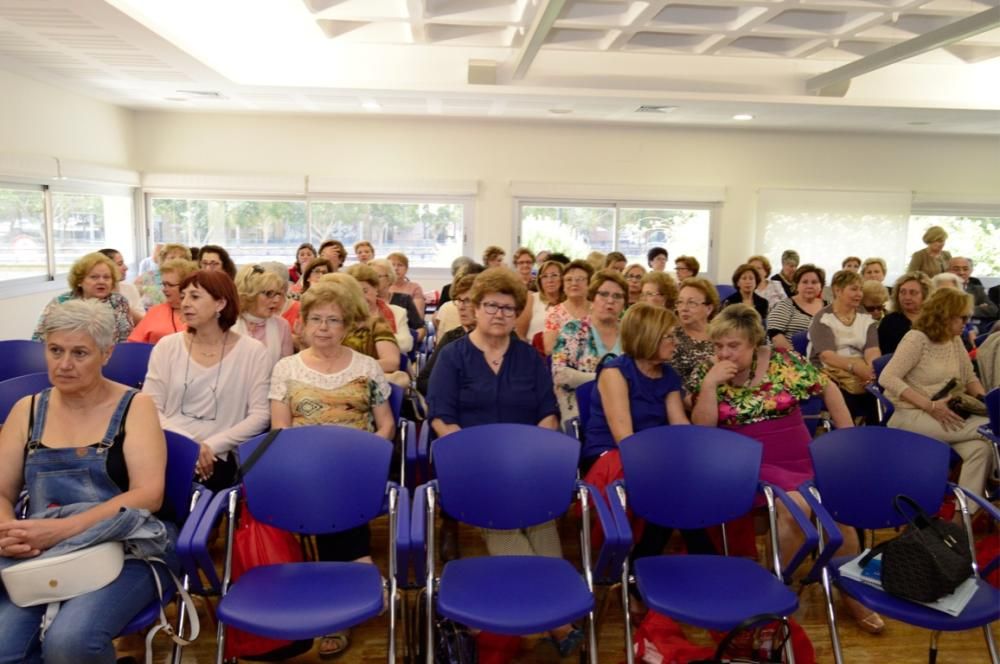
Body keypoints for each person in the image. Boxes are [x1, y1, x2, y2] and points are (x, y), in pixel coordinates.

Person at [0, 300, 177, 663]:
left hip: (127, 547)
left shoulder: (135, 407)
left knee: (71, 642)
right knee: (5, 647)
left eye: (79, 353)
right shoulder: (27, 410)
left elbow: (148, 495)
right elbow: (0, 491)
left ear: (106, 353)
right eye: (55, 351)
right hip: (41, 552)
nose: (64, 364)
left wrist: (62, 530)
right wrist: (9, 532)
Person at [689, 305, 880, 633]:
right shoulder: (707, 371)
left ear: (753, 342)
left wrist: (847, 438)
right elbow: (702, 431)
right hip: (746, 462)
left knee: (839, 513)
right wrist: (709, 386)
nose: (724, 352)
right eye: (718, 345)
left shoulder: (783, 361)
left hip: (799, 456)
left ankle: (849, 589)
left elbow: (828, 387)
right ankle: (772, 586)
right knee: (797, 507)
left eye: (733, 345)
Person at [427, 269, 579, 653]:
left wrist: (534, 458)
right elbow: (442, 417)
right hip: (474, 467)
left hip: (526, 464)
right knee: (504, 517)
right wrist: (478, 460)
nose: (499, 314)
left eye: (508, 308)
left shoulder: (529, 358)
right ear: (475, 308)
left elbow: (547, 412)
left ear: (517, 314)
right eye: (491, 305)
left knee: (541, 519)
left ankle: (547, 613)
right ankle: (558, 620)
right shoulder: (453, 356)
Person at [269, 282, 394, 659]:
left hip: (358, 467)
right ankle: (361, 576)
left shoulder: (367, 366)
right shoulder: (286, 367)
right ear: (303, 324)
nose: (324, 327)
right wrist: (303, 463)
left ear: (347, 326)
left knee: (336, 492)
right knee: (322, 493)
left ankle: (339, 605)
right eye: (316, 319)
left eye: (333, 320)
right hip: (302, 468)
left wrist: (366, 457)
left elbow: (385, 424)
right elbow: (279, 429)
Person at [143, 270, 270, 492]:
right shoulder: (167, 346)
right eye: (182, 296)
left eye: (195, 296)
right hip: (169, 444)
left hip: (219, 451)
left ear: (220, 303)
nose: (184, 303)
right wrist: (189, 446)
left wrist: (210, 446)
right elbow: (150, 408)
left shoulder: (253, 352)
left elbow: (260, 415)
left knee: (196, 483)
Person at [880, 288, 993, 506]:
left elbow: (970, 378)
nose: (966, 322)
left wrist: (988, 402)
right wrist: (929, 405)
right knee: (990, 429)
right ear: (945, 315)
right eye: (963, 317)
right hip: (910, 414)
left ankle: (963, 520)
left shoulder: (954, 339)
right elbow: (888, 377)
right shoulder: (917, 339)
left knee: (982, 450)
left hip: (943, 413)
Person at [551, 270, 626, 423]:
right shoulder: (573, 329)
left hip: (625, 412)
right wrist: (608, 380)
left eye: (617, 296)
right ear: (592, 298)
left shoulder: (630, 334)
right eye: (604, 294)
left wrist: (581, 378)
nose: (610, 301)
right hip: (580, 412)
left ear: (624, 303)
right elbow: (560, 375)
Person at [808, 270, 880, 425]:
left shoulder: (865, 316)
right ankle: (847, 439)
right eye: (853, 289)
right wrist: (855, 369)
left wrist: (871, 371)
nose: (859, 294)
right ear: (837, 290)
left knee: (879, 394)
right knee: (849, 399)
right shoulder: (823, 318)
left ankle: (874, 439)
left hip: (861, 369)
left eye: (860, 289)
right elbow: (827, 356)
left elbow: (872, 350)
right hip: (829, 370)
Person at [33, 252, 134, 344]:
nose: (101, 281)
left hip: (111, 358)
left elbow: (126, 341)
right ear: (80, 281)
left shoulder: (119, 302)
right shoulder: (61, 303)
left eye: (107, 277)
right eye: (94, 277)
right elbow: (39, 339)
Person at [321, 273, 402, 380]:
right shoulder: (319, 326)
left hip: (363, 381)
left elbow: (391, 363)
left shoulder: (375, 324)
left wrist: (347, 370)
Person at [417, 274, 477, 395]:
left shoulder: (502, 340)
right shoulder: (452, 338)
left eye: (467, 301)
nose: (461, 307)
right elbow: (423, 381)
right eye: (459, 301)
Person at [233, 265, 294, 368]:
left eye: (278, 294)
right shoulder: (227, 323)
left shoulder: (282, 326)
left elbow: (285, 370)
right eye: (269, 294)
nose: (276, 300)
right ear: (250, 295)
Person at [128, 258, 199, 344]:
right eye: (164, 284)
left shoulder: (205, 313)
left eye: (170, 285)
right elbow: (133, 344)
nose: (164, 290)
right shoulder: (155, 312)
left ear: (187, 285)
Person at [345, 263, 411, 353]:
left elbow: (406, 344)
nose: (361, 297)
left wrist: (364, 343)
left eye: (365, 291)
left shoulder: (398, 312)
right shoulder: (342, 314)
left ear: (376, 289)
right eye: (355, 292)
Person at [671, 277, 719, 388]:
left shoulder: (721, 335)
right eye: (680, 302)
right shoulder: (671, 337)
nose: (684, 308)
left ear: (709, 308)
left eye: (691, 303)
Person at [767, 264, 826, 351]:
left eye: (814, 282)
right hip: (792, 359)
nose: (809, 286)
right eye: (804, 282)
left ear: (821, 286)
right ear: (796, 285)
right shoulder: (785, 305)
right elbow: (775, 336)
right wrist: (798, 359)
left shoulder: (829, 307)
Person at [543, 259, 594, 355]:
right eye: (569, 279)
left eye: (580, 279)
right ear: (563, 285)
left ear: (589, 284)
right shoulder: (554, 313)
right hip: (563, 366)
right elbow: (550, 349)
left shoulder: (598, 311)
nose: (574, 283)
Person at [371, 258, 425, 344]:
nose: (373, 280)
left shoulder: (404, 299)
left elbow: (420, 328)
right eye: (370, 277)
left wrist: (410, 343)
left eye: (378, 276)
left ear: (389, 278)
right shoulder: (364, 302)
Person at [878, 271, 931, 355]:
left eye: (913, 293)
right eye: (902, 292)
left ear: (925, 295)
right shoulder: (890, 322)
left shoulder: (934, 320)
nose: (907, 297)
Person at [516, 259, 563, 342]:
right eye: (544, 276)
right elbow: (520, 334)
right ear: (540, 280)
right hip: (533, 351)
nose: (550, 280)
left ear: (563, 278)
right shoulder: (532, 298)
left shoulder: (569, 302)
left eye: (554, 275)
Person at [136, 243, 192, 309]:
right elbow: (134, 296)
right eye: (172, 257)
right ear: (163, 260)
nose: (177, 260)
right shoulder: (148, 276)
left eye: (182, 257)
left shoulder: (190, 278)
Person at [98, 248, 144, 323]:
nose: (126, 268)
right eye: (120, 264)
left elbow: (143, 321)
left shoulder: (130, 288)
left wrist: (122, 304)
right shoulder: (96, 292)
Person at [949, 256, 998, 324]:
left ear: (970, 271)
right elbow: (949, 311)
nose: (961, 272)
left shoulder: (977, 290)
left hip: (977, 326)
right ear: (948, 270)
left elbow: (993, 310)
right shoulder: (943, 289)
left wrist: (964, 310)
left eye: (965, 269)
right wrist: (978, 308)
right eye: (956, 269)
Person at [387, 251, 425, 317]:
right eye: (393, 265)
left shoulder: (415, 287)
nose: (396, 268)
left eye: (400, 265)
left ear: (406, 269)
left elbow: (418, 315)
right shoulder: (382, 287)